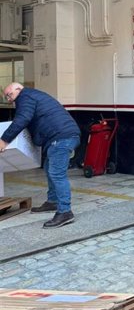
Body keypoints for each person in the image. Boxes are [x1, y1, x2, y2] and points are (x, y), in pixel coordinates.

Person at [0, 83, 81, 228]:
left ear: (18, 89)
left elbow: (22, 119)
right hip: (59, 137)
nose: (9, 99)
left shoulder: (25, 97)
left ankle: (65, 212)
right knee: (49, 168)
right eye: (6, 97)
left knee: (57, 173)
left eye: (9, 95)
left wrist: (4, 140)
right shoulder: (32, 96)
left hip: (62, 137)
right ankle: (53, 202)